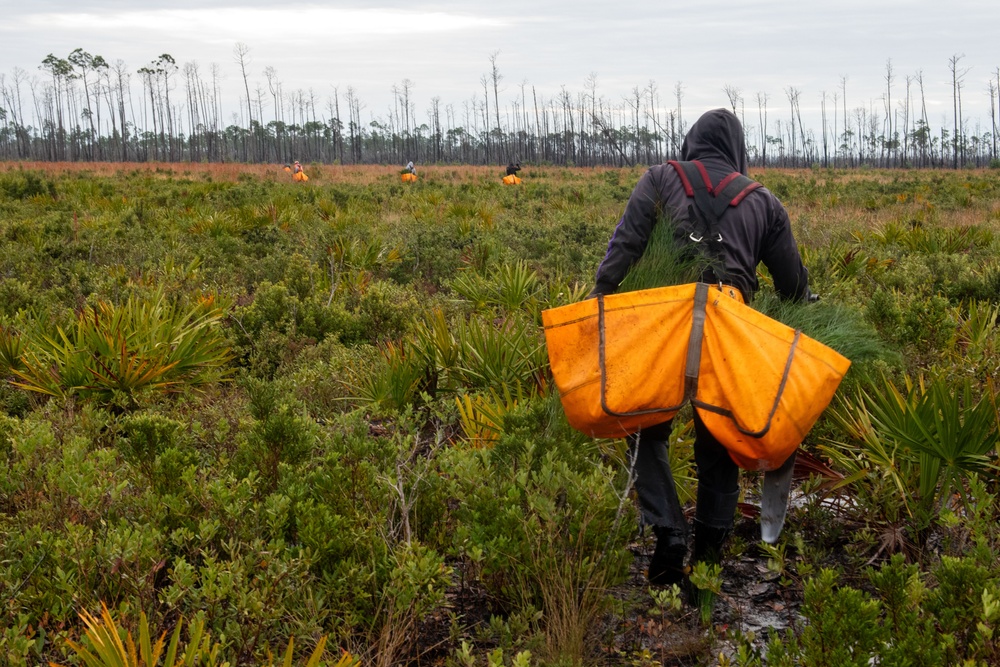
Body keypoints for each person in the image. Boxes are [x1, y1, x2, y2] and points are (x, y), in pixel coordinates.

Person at [588, 108, 812, 586]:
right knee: (719, 439)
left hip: (664, 323)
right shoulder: (764, 202)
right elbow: (793, 286)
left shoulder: (659, 178)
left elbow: (624, 246)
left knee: (645, 426)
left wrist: (598, 299)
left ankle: (668, 531)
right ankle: (707, 559)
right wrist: (803, 301)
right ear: (737, 150)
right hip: (727, 329)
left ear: (692, 142)